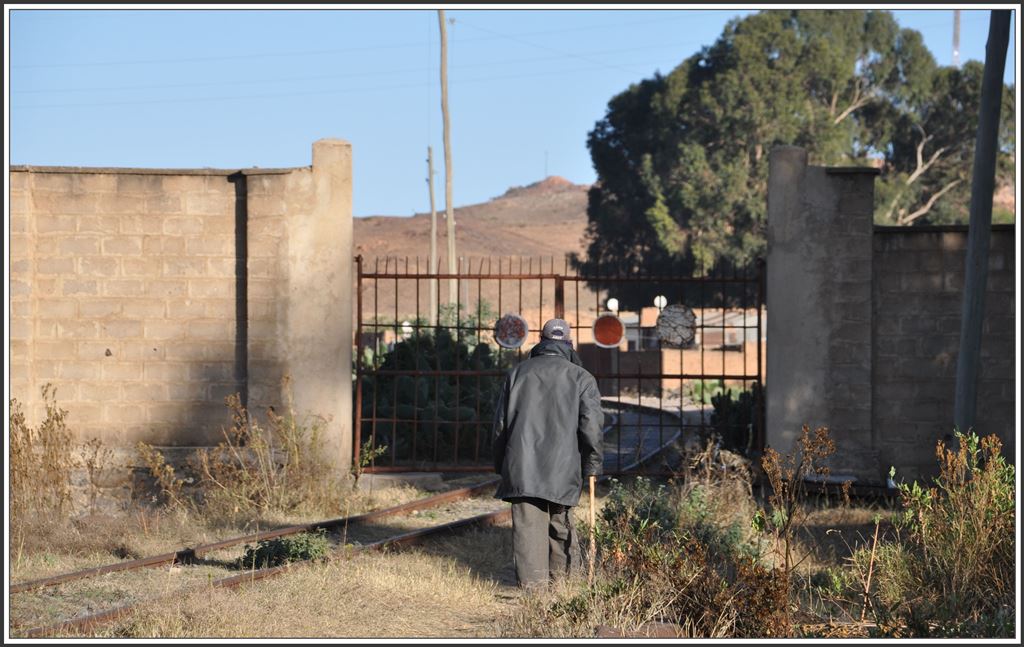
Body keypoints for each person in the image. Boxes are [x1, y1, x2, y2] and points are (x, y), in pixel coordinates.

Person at [492, 317, 604, 590]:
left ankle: (535, 594)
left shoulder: (517, 374)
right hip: (563, 469)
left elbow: (499, 427)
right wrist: (592, 465)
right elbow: (591, 427)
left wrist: (502, 465)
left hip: (523, 468)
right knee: (561, 527)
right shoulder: (582, 378)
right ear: (569, 344)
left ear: (541, 342)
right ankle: (564, 589)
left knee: (528, 531)